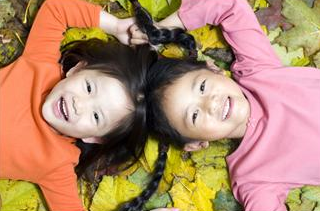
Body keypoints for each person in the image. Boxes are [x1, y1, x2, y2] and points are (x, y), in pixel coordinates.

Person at [130, 0, 320, 210]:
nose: (210, 104)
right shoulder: (254, 177)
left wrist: (162, 29)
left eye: (202, 87)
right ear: (195, 144)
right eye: (194, 115)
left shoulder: (257, 71)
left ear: (213, 70)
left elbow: (229, 5)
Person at [0, 0, 178, 210]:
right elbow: (56, 9)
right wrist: (115, 25)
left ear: (94, 138)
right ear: (77, 69)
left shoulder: (58, 164)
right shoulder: (41, 63)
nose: (79, 105)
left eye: (96, 116)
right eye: (89, 88)